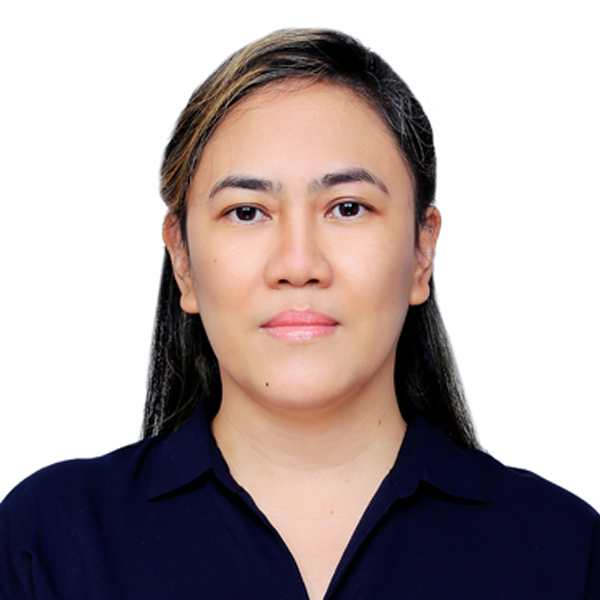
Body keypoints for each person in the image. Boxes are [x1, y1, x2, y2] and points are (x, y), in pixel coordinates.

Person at [0, 28, 598, 600]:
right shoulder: (50, 541)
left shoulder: (566, 550)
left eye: (347, 207)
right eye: (246, 212)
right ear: (183, 262)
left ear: (422, 252)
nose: (298, 264)